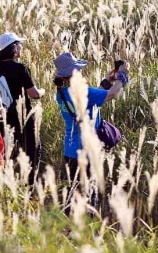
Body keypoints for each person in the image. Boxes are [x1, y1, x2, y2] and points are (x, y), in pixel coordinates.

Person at [52, 51, 128, 185]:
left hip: (70, 151)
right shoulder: (83, 91)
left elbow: (91, 101)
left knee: (75, 193)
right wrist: (122, 75)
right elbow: (112, 94)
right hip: (87, 151)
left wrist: (106, 81)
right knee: (89, 193)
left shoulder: (61, 93)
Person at [0, 32, 45, 183]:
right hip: (24, 119)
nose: (21, 47)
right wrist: (43, 91)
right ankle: (27, 186)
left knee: (4, 153)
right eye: (19, 45)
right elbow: (34, 94)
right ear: (13, 48)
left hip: (1, 118)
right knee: (32, 152)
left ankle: (3, 185)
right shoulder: (20, 68)